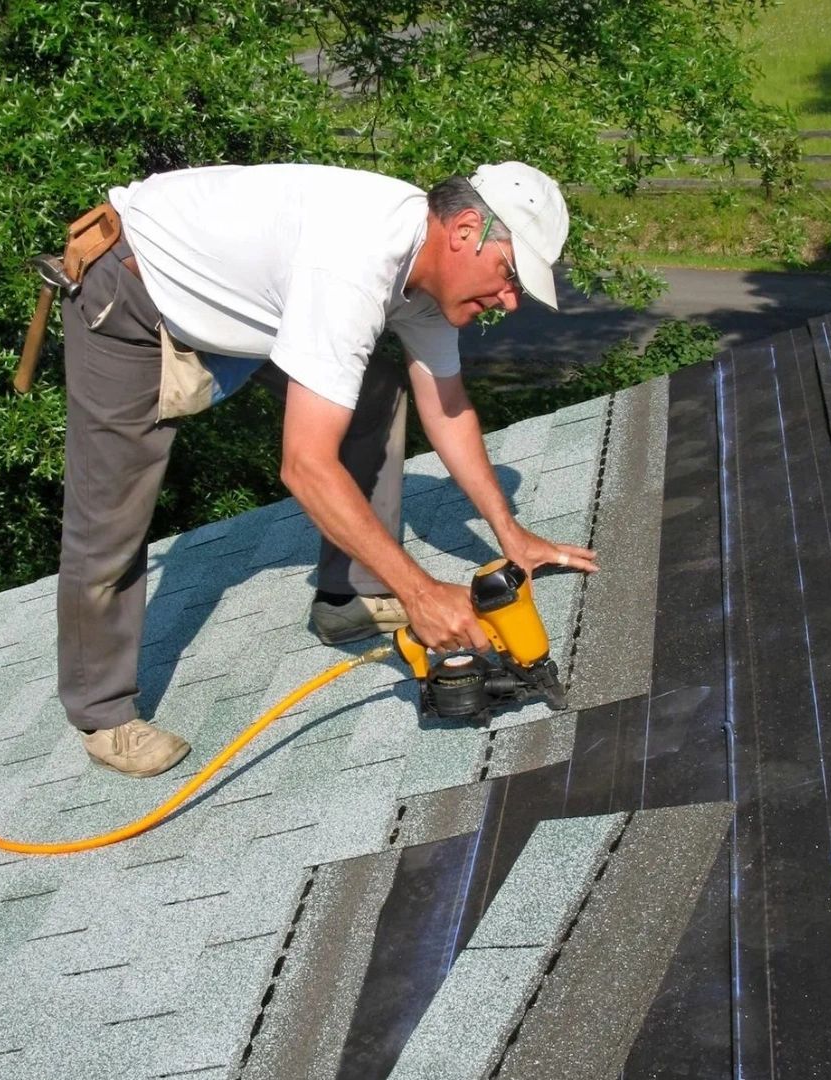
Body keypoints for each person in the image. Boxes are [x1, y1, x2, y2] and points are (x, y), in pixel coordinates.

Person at [58, 160, 598, 778]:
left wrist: (512, 534)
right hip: (131, 289)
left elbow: (446, 406)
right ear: (465, 229)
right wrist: (421, 593)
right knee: (109, 515)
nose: (507, 300)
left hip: (248, 301)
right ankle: (101, 712)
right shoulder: (352, 265)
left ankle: (349, 596)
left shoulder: (426, 274)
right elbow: (305, 466)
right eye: (508, 275)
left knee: (376, 395)